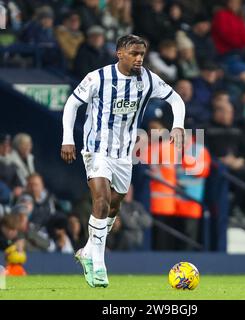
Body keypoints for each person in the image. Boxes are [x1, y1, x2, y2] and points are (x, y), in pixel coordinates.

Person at [61, 34, 185, 288]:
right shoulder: (98, 78)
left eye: (142, 54)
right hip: (96, 149)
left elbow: (176, 99)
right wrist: (67, 139)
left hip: (125, 154)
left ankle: (86, 250)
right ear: (120, 53)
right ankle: (98, 262)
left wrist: (179, 126)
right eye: (134, 54)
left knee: (114, 207)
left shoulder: (148, 79)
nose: (139, 58)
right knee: (101, 201)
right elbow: (72, 104)